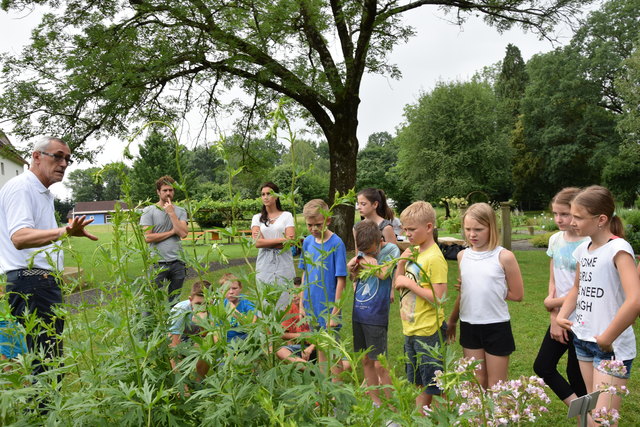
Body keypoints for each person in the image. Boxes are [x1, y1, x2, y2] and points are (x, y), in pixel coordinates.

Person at [0, 136, 97, 376]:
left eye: (67, 159)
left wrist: (65, 234)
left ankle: (43, 411)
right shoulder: (23, 186)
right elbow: (20, 237)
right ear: (36, 157)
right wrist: (64, 231)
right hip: (32, 281)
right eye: (58, 156)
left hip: (38, 282)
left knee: (46, 358)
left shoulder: (41, 192)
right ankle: (44, 413)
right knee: (47, 363)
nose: (64, 163)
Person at [557, 186, 640, 424]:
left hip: (611, 348)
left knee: (603, 421)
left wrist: (607, 338)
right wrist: (563, 314)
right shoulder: (584, 249)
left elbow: (635, 300)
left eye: (578, 217)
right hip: (583, 342)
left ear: (601, 219)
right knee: (591, 415)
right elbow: (577, 288)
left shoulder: (619, 249)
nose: (572, 222)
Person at [446, 202, 524, 389]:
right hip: (470, 325)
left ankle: (497, 419)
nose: (472, 234)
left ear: (491, 227)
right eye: (468, 229)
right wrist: (452, 320)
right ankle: (478, 420)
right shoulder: (462, 256)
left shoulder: (504, 256)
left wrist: (490, 288)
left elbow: (518, 294)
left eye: (478, 229)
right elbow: (463, 292)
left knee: (496, 384)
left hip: (496, 325)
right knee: (475, 382)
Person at [533, 188, 587, 406]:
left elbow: (585, 289)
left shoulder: (589, 243)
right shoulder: (555, 240)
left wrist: (551, 303)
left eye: (564, 214)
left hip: (583, 319)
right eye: (555, 214)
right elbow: (553, 280)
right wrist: (553, 315)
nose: (559, 219)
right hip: (560, 316)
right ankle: (581, 410)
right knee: (543, 366)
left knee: (577, 375)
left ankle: (587, 418)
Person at [394, 201, 448, 411]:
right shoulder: (414, 252)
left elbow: (439, 297)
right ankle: (421, 419)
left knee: (434, 384)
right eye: (405, 229)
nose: (407, 234)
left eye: (412, 229)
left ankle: (439, 417)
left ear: (428, 227)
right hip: (411, 328)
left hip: (428, 331)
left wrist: (410, 283)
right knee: (418, 381)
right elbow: (399, 284)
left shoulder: (434, 258)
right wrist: (400, 263)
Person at [347, 219, 400, 406]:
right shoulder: (363, 252)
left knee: (380, 364)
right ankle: (375, 402)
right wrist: (352, 269)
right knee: (366, 361)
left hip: (376, 315)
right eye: (364, 251)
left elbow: (384, 273)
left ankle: (393, 409)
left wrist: (367, 260)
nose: (367, 254)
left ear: (379, 240)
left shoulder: (392, 250)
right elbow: (355, 276)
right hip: (359, 312)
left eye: (370, 250)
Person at [298, 199, 347, 375]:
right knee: (319, 346)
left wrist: (335, 313)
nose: (313, 229)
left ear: (328, 220)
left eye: (318, 224)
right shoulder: (307, 242)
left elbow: (341, 280)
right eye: (309, 225)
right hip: (311, 305)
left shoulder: (336, 244)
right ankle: (324, 388)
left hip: (328, 308)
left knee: (332, 350)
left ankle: (336, 391)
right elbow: (305, 273)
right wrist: (302, 304)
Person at [140, 175, 188, 304]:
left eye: (171, 190)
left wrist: (171, 213)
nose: (168, 193)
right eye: (165, 190)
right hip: (157, 263)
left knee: (175, 301)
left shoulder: (181, 211)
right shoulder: (148, 211)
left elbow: (183, 233)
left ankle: (172, 324)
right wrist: (173, 231)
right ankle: (151, 324)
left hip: (178, 262)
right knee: (152, 300)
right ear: (158, 192)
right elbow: (148, 237)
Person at [251, 182, 296, 310]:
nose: (265, 197)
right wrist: (281, 240)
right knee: (265, 298)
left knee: (284, 296)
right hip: (264, 262)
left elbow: (290, 242)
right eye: (263, 194)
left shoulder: (286, 216)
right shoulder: (257, 218)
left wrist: (266, 241)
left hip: (284, 261)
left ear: (276, 196)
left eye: (269, 194)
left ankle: (284, 328)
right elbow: (257, 243)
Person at [168, 280, 213, 379]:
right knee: (174, 352)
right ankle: (182, 387)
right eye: (198, 303)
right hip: (180, 339)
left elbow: (211, 339)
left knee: (207, 349)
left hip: (199, 338)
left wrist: (202, 324)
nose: (203, 308)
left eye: (207, 303)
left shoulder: (215, 308)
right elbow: (174, 346)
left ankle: (199, 383)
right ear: (190, 299)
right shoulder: (180, 310)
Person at [276, 277, 315, 365]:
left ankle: (311, 367)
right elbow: (283, 334)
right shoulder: (289, 309)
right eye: (291, 293)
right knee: (281, 352)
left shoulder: (314, 306)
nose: (294, 296)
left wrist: (312, 347)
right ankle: (310, 369)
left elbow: (325, 332)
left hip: (319, 345)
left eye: (297, 292)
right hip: (302, 348)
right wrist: (302, 336)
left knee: (346, 364)